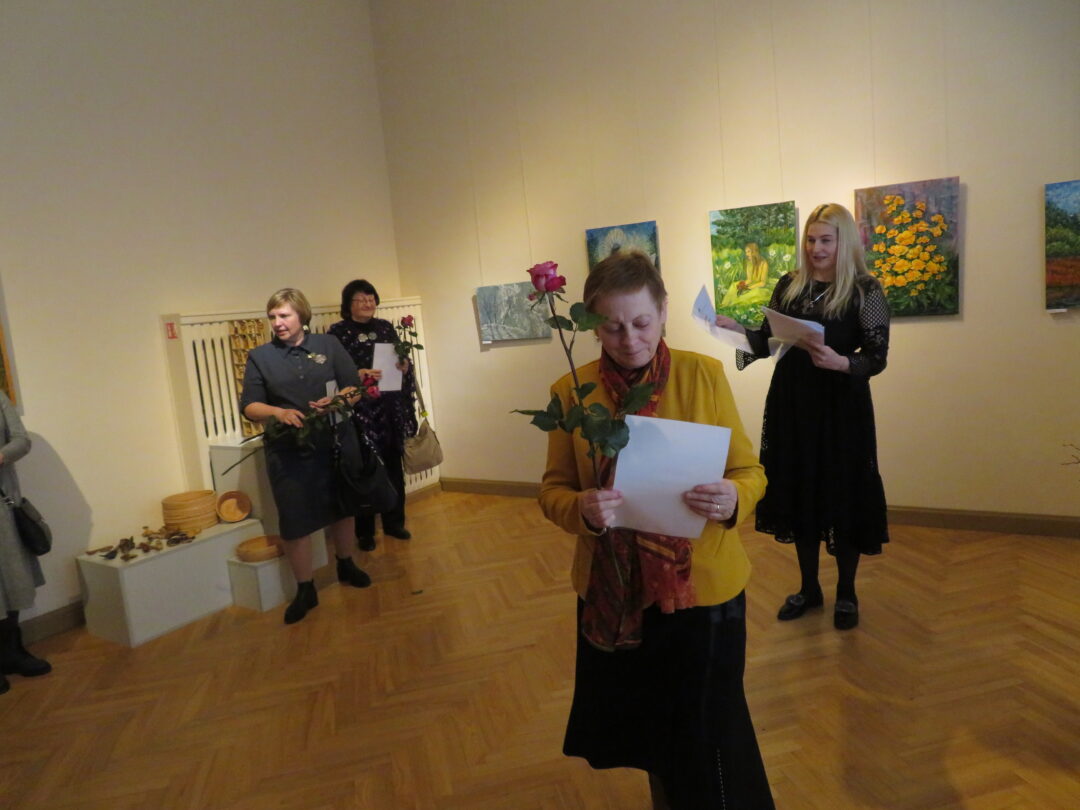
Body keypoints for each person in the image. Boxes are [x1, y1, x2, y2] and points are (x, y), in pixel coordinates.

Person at [540, 251, 774, 809]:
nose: (629, 340)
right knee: (651, 727)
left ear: (664, 310)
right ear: (591, 325)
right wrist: (582, 509)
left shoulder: (703, 374)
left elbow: (750, 471)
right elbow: (553, 490)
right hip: (616, 591)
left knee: (712, 728)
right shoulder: (572, 391)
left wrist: (733, 497)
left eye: (642, 322)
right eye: (612, 327)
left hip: (702, 590)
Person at [716, 202, 890, 631]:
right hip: (792, 404)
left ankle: (846, 592)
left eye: (826, 240)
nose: (816, 248)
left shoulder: (865, 290)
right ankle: (809, 588)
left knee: (843, 494)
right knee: (800, 493)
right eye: (811, 240)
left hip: (841, 407)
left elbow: (877, 356)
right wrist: (735, 331)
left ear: (845, 242)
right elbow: (768, 341)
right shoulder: (790, 284)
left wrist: (842, 363)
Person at [240, 288, 373, 625]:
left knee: (343, 506)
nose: (277, 323)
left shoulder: (328, 345)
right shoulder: (260, 356)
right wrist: (278, 412)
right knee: (295, 516)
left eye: (284, 315)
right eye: (272, 317)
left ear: (301, 315)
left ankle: (346, 564)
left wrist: (337, 401)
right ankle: (305, 588)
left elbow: (354, 388)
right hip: (289, 449)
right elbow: (250, 406)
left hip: (335, 442)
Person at [328, 280, 417, 551]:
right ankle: (364, 531)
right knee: (364, 469)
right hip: (361, 410)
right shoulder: (337, 333)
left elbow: (401, 359)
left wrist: (404, 365)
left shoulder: (386, 328)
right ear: (348, 304)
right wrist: (359, 374)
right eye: (361, 299)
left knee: (392, 465)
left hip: (388, 408)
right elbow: (331, 372)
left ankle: (394, 522)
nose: (368, 303)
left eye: (371, 298)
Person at [0, 391, 52, 694]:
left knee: (14, 579)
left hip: (3, 509)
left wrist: (1, 454)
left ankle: (12, 652)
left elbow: (21, 440)